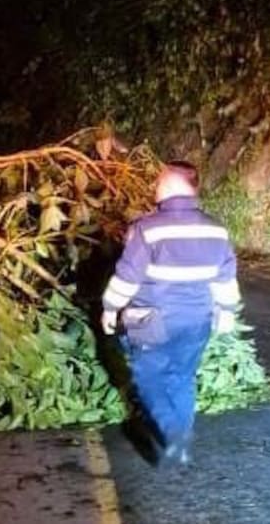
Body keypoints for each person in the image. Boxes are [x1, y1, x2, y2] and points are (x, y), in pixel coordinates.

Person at [100, 160, 240, 466]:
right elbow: (226, 278)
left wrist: (110, 307)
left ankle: (172, 434)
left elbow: (128, 277)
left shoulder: (147, 229)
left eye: (160, 180)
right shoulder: (216, 230)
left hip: (149, 317)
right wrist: (227, 312)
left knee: (149, 376)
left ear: (171, 184)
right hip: (197, 319)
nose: (155, 185)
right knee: (182, 378)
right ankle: (181, 438)